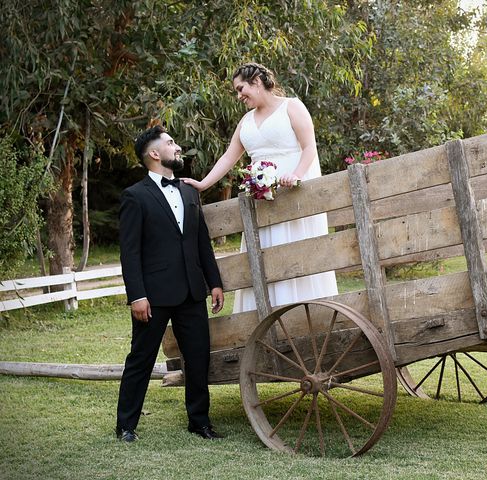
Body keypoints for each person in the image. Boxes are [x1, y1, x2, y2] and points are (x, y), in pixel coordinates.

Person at [183, 62, 338, 312]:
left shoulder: (292, 106)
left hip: (292, 195)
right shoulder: (246, 121)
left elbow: (309, 147)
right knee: (264, 252)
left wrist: (295, 175)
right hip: (262, 199)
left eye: (240, 88)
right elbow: (228, 157)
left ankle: (304, 312)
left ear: (256, 81)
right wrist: (202, 184)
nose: (238, 95)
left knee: (293, 250)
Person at [116, 125, 225, 442]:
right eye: (170, 142)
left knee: (198, 356)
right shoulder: (134, 197)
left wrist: (213, 282)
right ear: (154, 153)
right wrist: (137, 295)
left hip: (192, 290)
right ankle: (126, 425)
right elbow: (130, 252)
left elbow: (201, 242)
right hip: (154, 295)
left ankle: (199, 422)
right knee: (141, 358)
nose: (177, 147)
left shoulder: (190, 192)